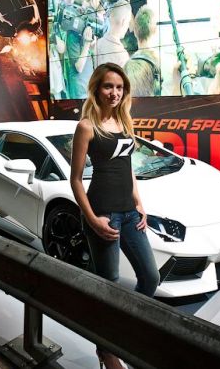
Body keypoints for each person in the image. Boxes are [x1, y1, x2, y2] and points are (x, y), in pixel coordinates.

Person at [70, 63, 159, 369]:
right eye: (108, 86)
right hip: (103, 213)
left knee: (150, 277)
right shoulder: (86, 127)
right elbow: (76, 180)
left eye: (119, 87)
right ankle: (106, 349)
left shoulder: (124, 122)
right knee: (108, 285)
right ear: (96, 89)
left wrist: (139, 203)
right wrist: (92, 219)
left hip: (130, 213)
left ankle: (123, 329)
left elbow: (127, 168)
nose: (114, 93)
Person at [96, 0, 132, 67]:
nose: (128, 26)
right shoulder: (122, 57)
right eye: (128, 22)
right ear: (123, 22)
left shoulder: (98, 43)